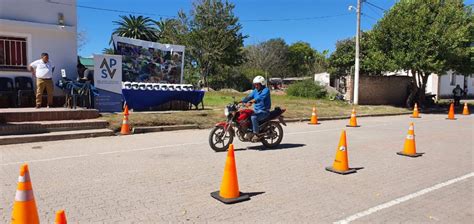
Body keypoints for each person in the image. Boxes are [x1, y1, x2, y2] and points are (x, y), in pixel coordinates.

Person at [241, 76, 271, 142]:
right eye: (255, 84)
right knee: (246, 115)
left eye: (257, 84)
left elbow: (260, 98)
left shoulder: (266, 90)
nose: (256, 86)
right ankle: (248, 131)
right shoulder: (255, 91)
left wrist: (252, 102)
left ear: (262, 84)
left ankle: (256, 134)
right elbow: (249, 97)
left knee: (253, 117)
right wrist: (241, 101)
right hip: (257, 111)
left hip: (264, 111)